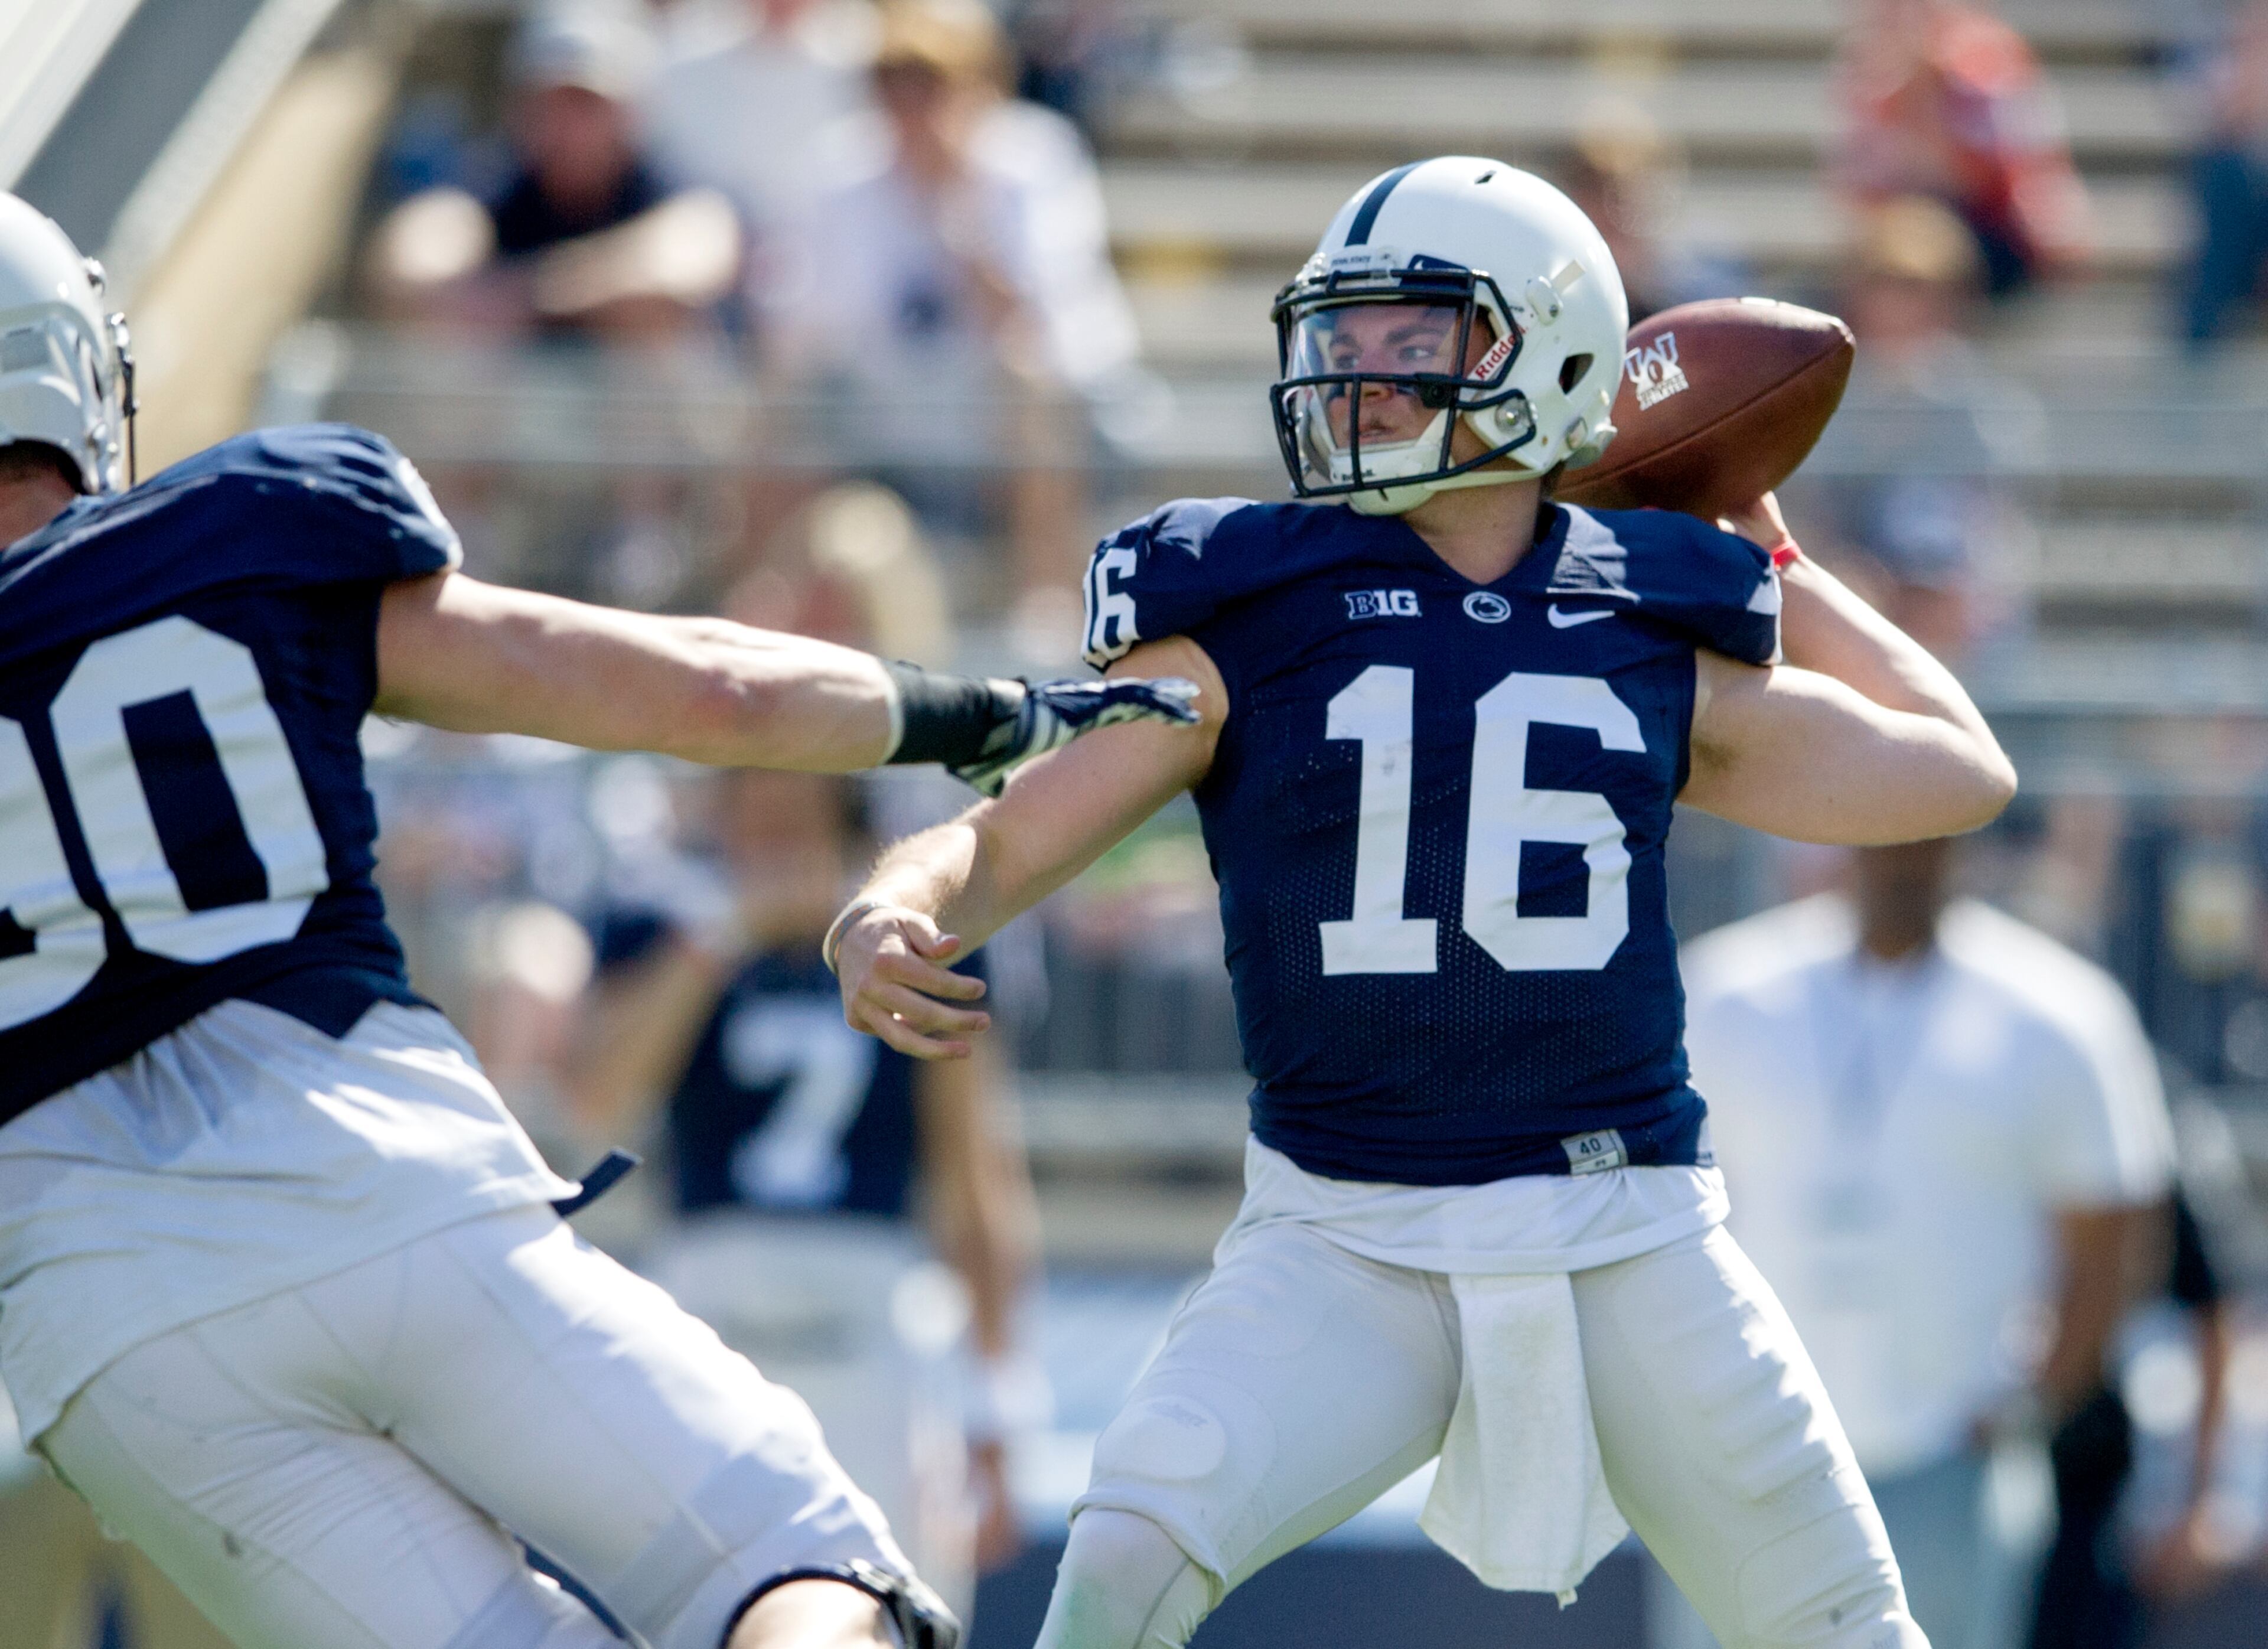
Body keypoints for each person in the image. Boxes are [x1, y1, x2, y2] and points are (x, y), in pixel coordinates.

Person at [829, 156, 2018, 1649]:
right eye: (1344, 337)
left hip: (1624, 1223)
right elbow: (1004, 837)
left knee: (1846, 1623)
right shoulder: (1255, 614)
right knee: (1123, 1555)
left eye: (1413, 340)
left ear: (1551, 352)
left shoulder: (1642, 623)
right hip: (1344, 1231)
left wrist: (1765, 542)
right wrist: (891, 899)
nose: (1360, 376)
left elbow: (1954, 772)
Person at [0, 191, 1197, 1649]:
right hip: (374, 1183)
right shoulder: (242, 536)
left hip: (107, 1331)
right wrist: (987, 714)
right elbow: (709, 692)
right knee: (786, 1567)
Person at [568, 767, 1042, 1623]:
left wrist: (996, 1398)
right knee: (685, 1605)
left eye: (794, 817)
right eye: (752, 816)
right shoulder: (668, 929)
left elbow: (974, 1179)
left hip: (869, 1293)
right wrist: (720, 937)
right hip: (708, 1292)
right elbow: (596, 1102)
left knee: (883, 1600)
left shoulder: (922, 945)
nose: (770, 842)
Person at [1677, 839, 2177, 1649]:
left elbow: (2114, 1235)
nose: (1904, 856)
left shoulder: (2058, 1007)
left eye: (1929, 832)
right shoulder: (1726, 989)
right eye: (1884, 828)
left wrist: (2028, 1407)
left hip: (1948, 1456)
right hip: (1750, 1460)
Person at [761, 0, 1139, 620]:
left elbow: (1041, 324)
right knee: (781, 403)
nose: (910, 105)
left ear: (980, 84)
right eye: (892, 82)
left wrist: (956, 211)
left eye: (931, 82)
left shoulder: (1036, 158)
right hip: (883, 422)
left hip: (1015, 424)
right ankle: (770, 601)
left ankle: (1043, 605)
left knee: (1028, 378)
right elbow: (806, 333)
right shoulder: (840, 171)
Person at [369, 2, 739, 340]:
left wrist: (526, 299)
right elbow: (414, 265)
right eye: (551, 104)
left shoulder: (667, 191)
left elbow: (684, 266)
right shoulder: (493, 183)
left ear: (629, 117)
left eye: (587, 106)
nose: (568, 126)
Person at [1833, 0, 2092, 297]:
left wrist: (1926, 98)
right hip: (1904, 229)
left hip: (1993, 235)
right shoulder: (1868, 70)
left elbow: (1998, 176)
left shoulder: (1985, 61)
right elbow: (1858, 187)